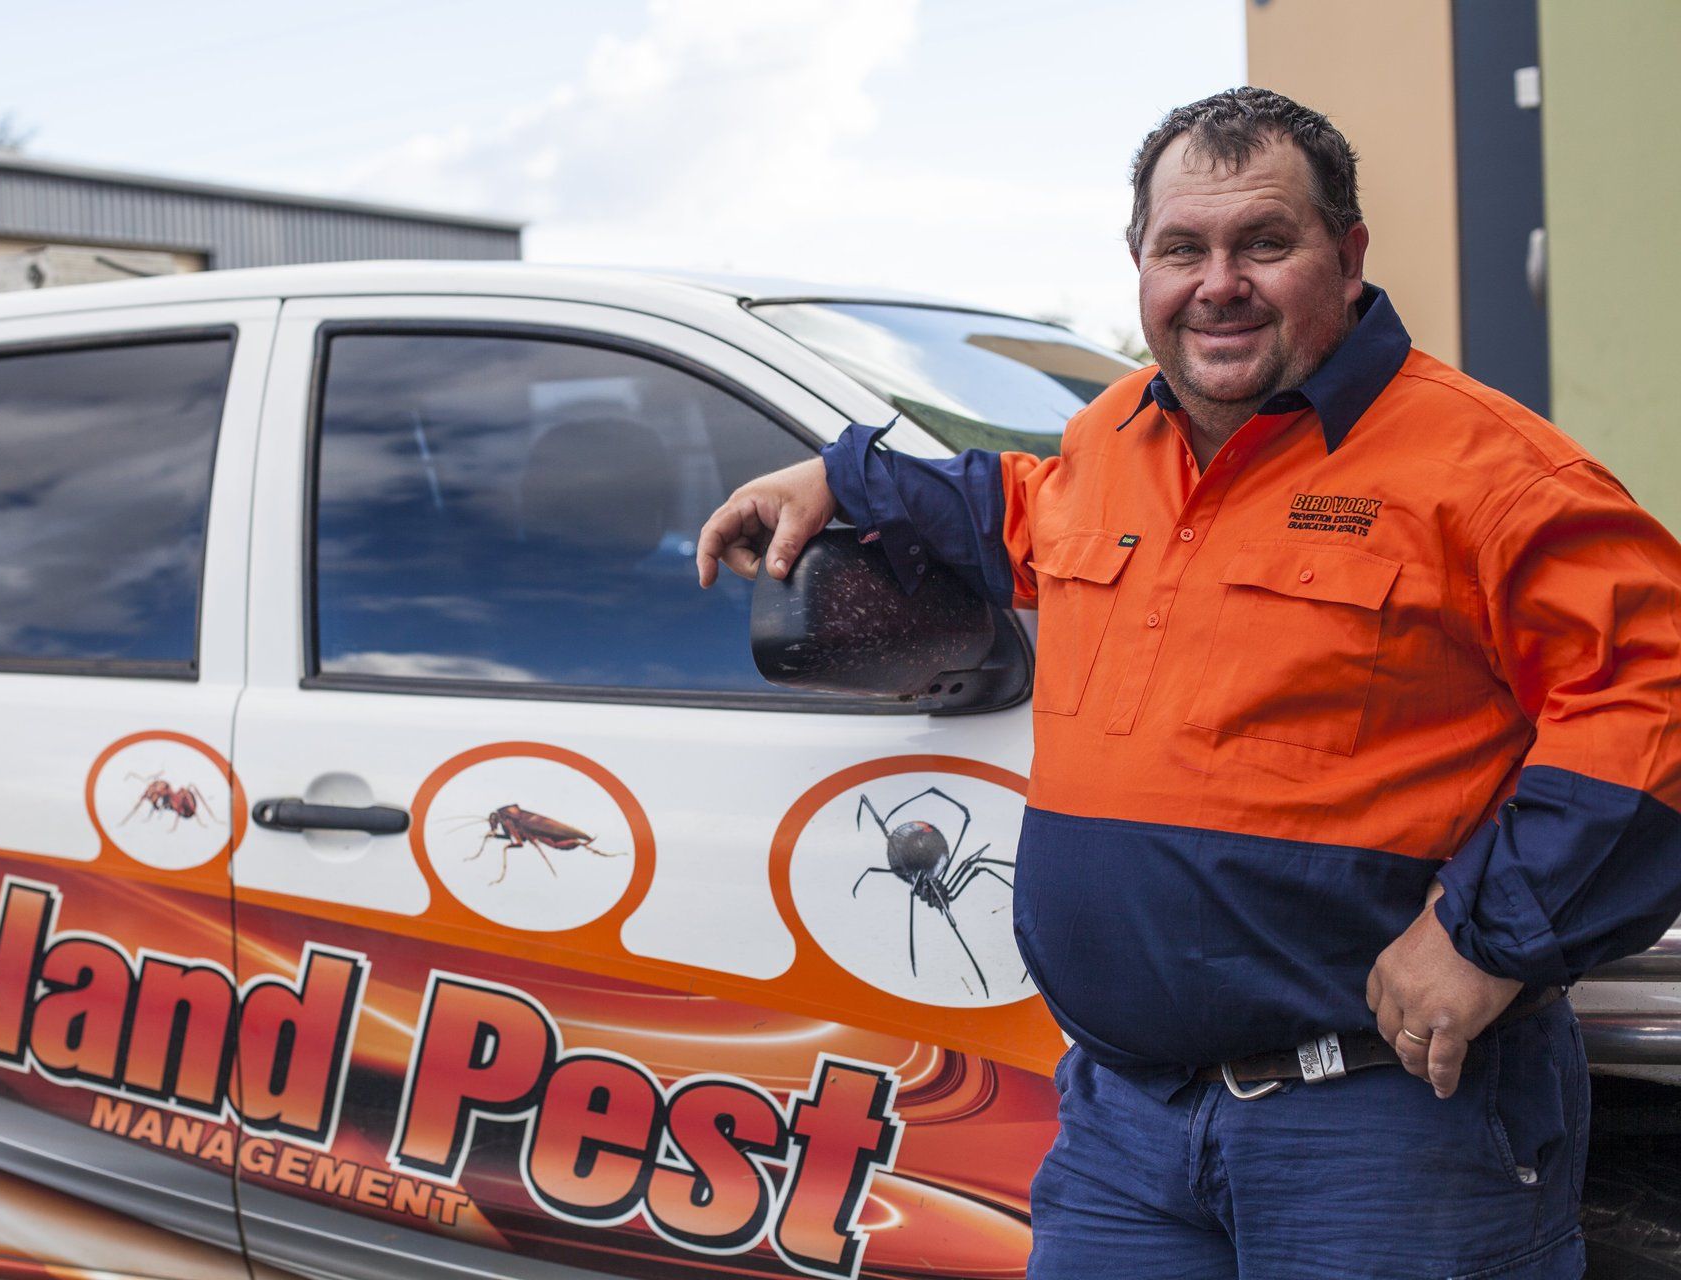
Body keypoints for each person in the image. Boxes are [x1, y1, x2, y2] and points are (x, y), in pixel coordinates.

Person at [696, 87, 1681, 1279]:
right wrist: (842, 478)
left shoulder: (1488, 471)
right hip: (1128, 1128)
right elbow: (1014, 507)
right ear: (1139, 264)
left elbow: (1654, 693)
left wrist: (1489, 935)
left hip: (1385, 1127)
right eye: (1183, 248)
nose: (1219, 282)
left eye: (1264, 242)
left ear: (1349, 255)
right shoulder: (1118, 436)